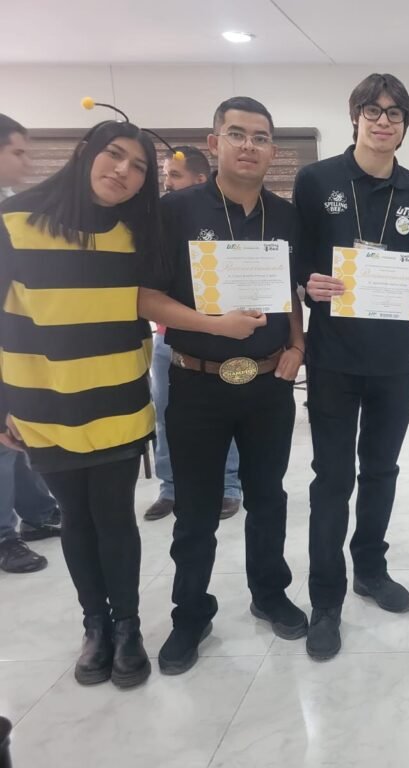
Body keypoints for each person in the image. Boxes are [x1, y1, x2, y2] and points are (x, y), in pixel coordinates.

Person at [140, 97, 307, 675]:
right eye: (237, 134)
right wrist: (215, 326)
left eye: (260, 137)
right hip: (197, 382)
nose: (248, 146)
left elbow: (290, 293)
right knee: (196, 509)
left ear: (273, 151)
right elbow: (145, 298)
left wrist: (297, 347)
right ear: (214, 143)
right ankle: (190, 613)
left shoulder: (285, 216)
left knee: (268, 497)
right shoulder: (174, 211)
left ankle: (270, 593)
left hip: (268, 383)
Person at [0, 118, 162, 687]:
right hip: (43, 401)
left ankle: (128, 627)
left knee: (114, 516)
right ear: (85, 153)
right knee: (75, 517)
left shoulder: (136, 232)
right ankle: (95, 625)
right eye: (114, 155)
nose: (123, 171)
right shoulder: (15, 222)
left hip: (118, 397)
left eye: (138, 166)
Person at [293, 73, 409, 659]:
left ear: (405, 125)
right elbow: (297, 259)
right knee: (332, 478)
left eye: (394, 113)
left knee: (381, 470)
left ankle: (370, 570)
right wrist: (307, 283)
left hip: (394, 359)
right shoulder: (316, 180)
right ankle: (325, 599)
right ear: (354, 116)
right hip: (333, 357)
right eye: (373, 110)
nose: (383, 121)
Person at [145, 145, 243, 522]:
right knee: (165, 415)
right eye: (165, 175)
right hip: (170, 339)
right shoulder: (164, 220)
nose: (167, 182)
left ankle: (229, 486)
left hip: (227, 340)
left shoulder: (228, 222)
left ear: (201, 179)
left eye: (175, 175)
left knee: (229, 416)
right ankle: (170, 488)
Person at [0, 113, 61, 574]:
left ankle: (38, 514)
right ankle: (4, 536)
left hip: (20, 353)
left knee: (19, 442)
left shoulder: (13, 211)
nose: (27, 161)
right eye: (17, 151)